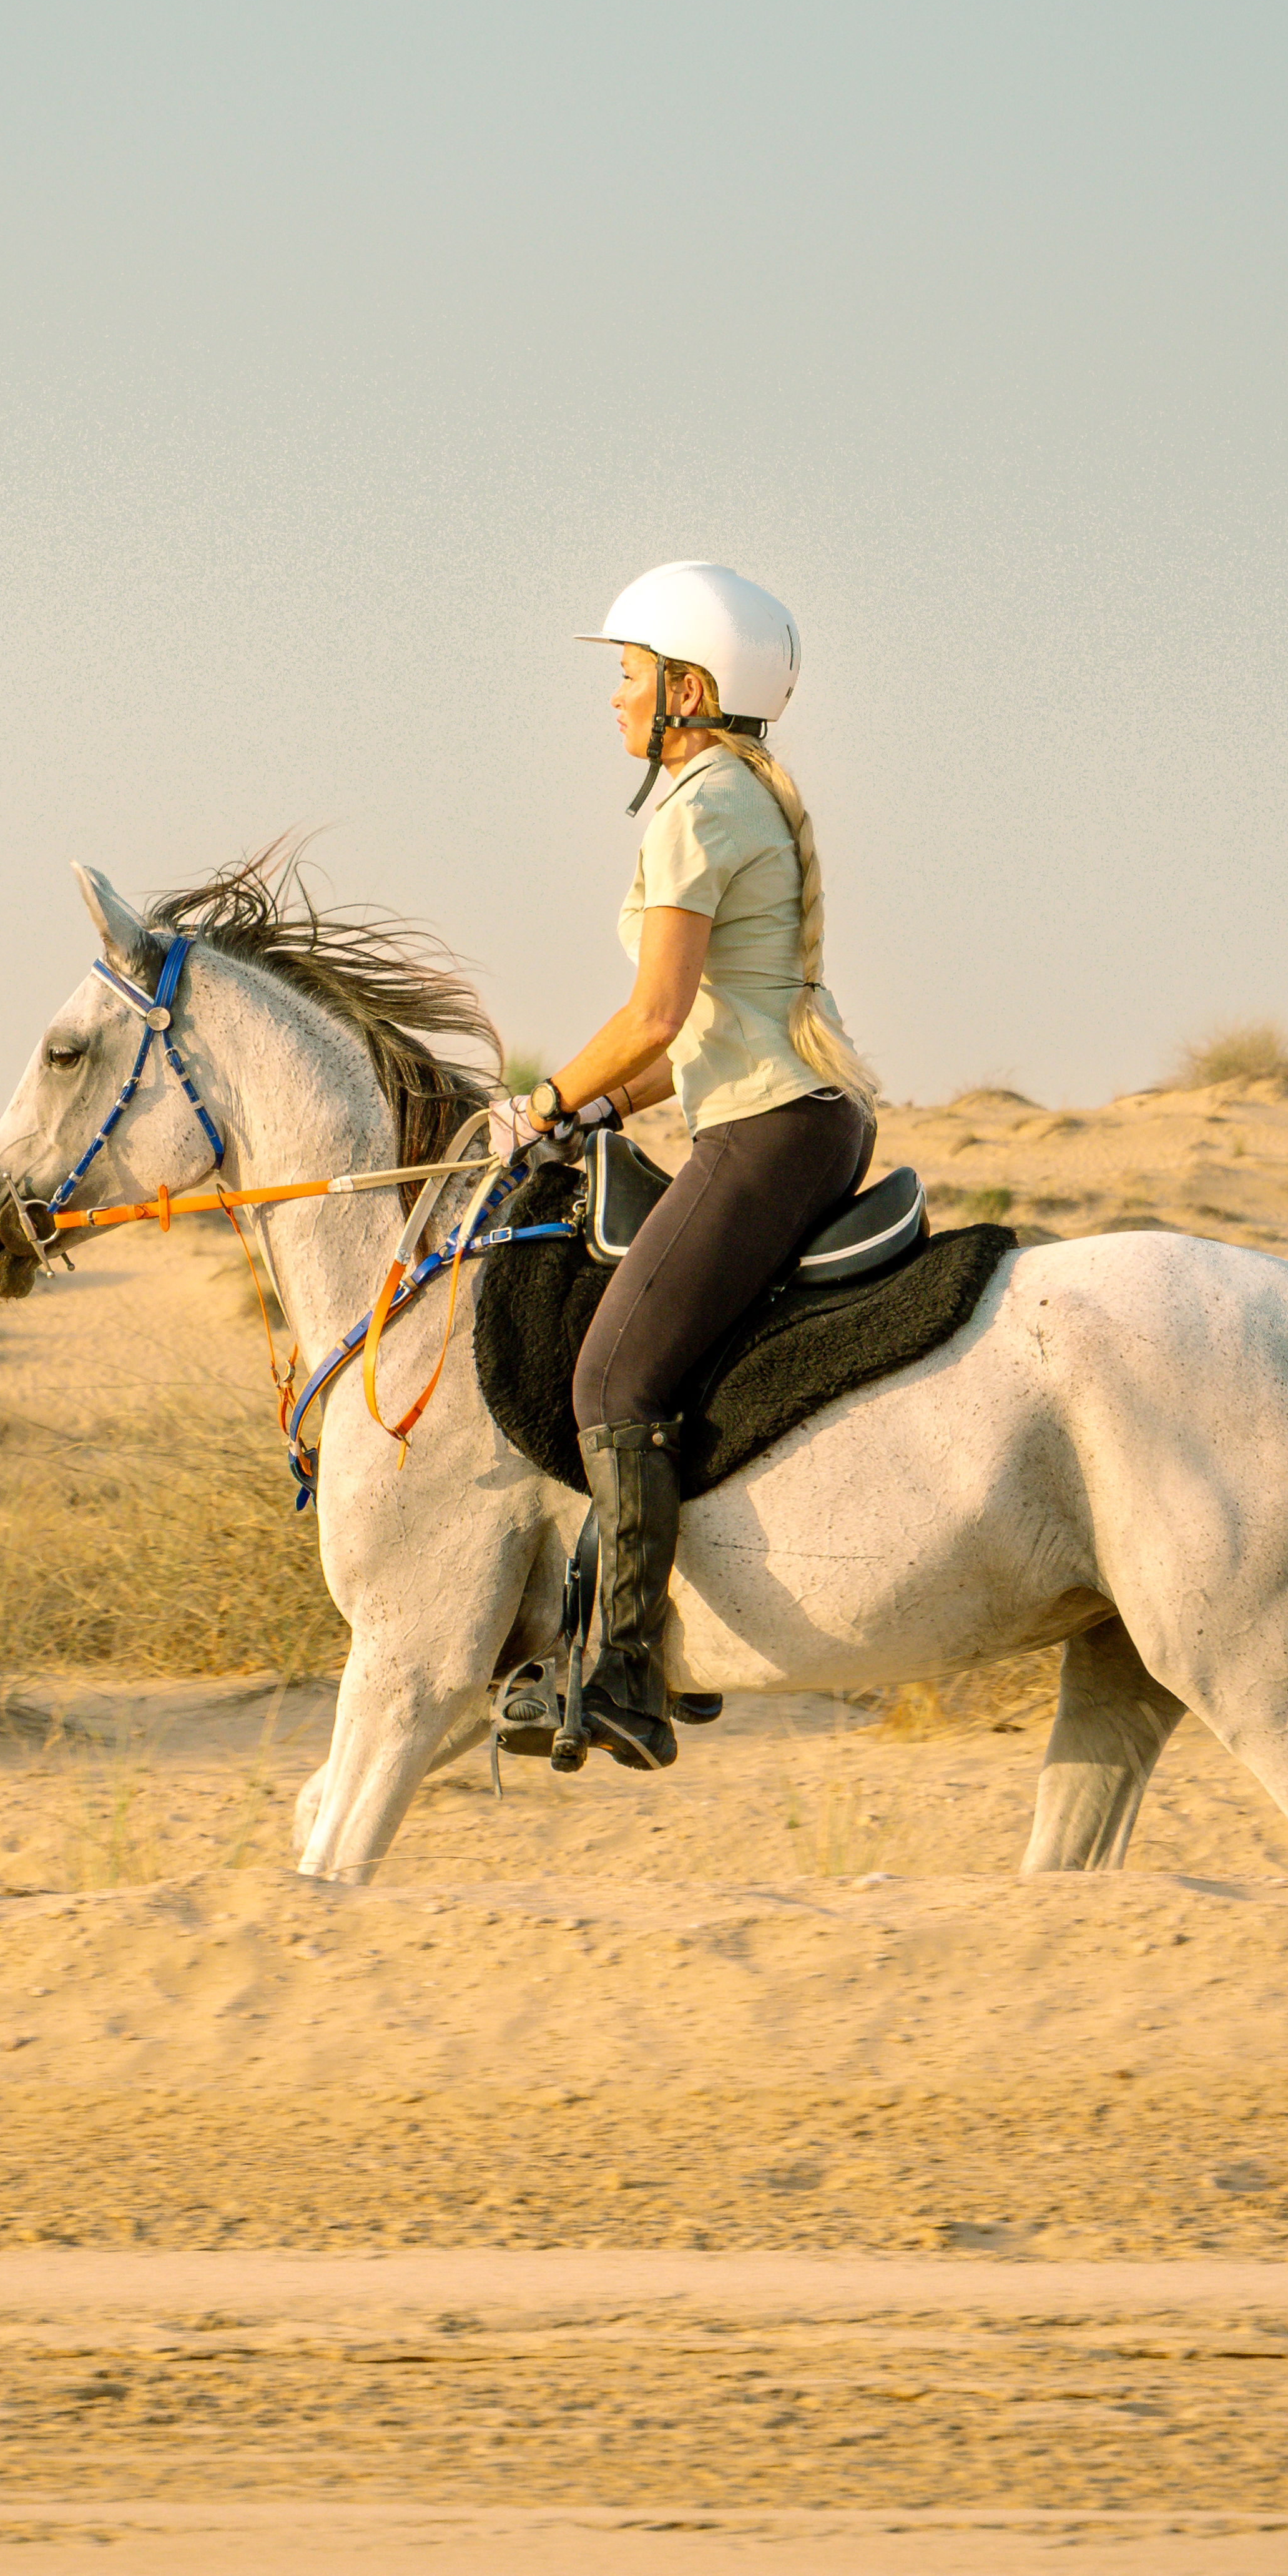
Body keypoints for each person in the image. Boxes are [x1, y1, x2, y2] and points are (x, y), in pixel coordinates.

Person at [489, 564, 879, 1771]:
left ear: (687, 688)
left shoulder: (699, 806)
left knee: (609, 1375)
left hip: (769, 1129)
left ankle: (621, 1675)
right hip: (789, 1110)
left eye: (626, 674)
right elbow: (697, 1034)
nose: (612, 698)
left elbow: (656, 1013)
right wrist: (589, 1109)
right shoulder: (734, 792)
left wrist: (546, 1098)